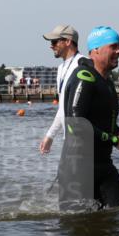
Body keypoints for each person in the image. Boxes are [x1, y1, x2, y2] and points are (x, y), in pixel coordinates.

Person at [59, 26, 119, 209]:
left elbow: (98, 119)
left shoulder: (106, 81)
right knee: (79, 230)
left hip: (103, 164)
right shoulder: (84, 77)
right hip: (78, 169)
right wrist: (116, 140)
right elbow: (75, 125)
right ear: (96, 50)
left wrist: (118, 131)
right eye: (114, 46)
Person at [39, 25, 83, 154]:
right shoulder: (60, 69)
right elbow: (63, 108)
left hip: (83, 141)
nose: (51, 46)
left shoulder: (83, 64)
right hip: (69, 139)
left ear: (68, 42)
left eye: (54, 41)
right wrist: (50, 135)